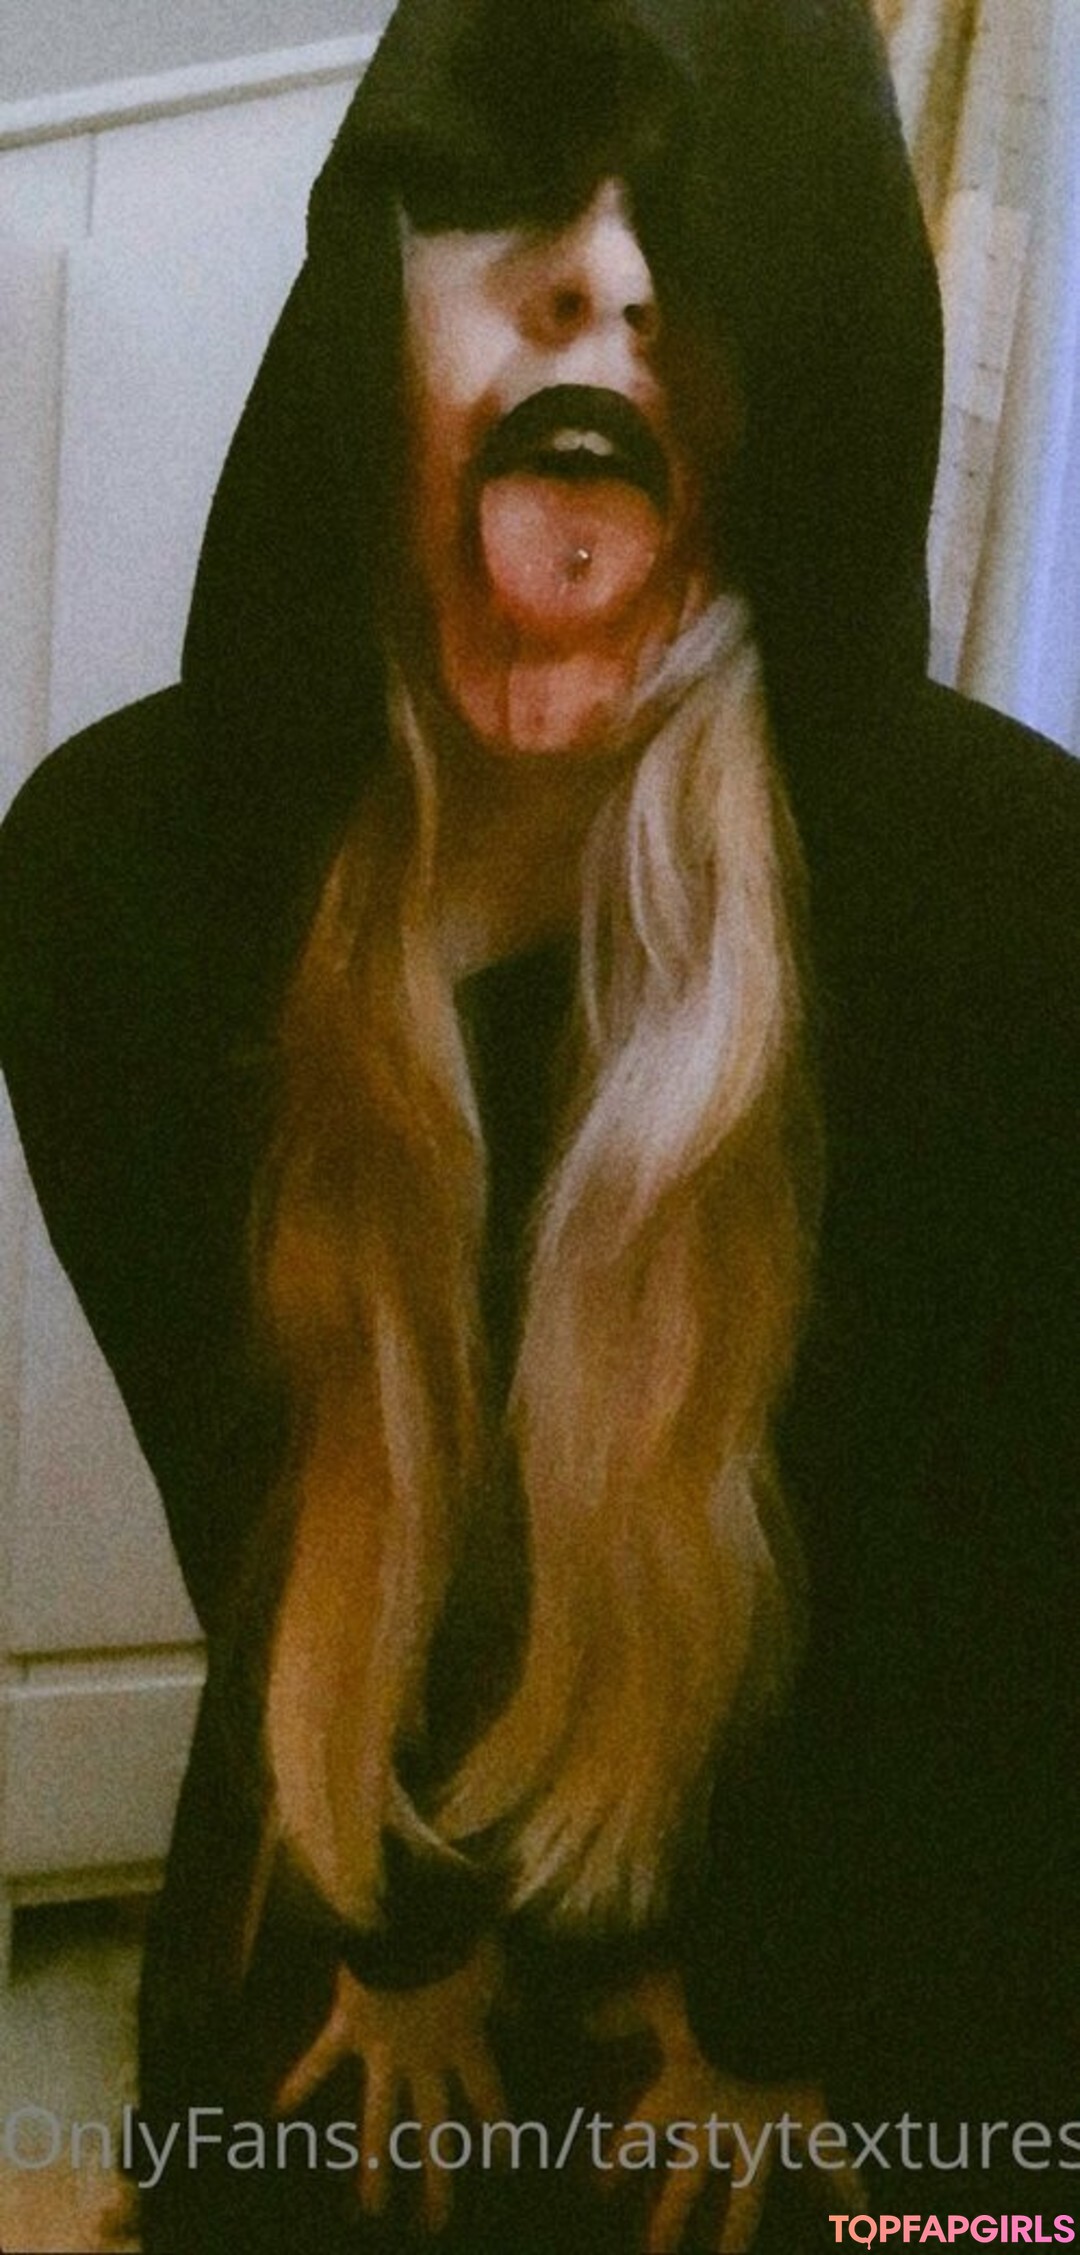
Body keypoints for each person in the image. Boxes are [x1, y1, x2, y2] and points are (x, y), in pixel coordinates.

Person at [2, 1, 1079, 2248]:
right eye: (512, 180)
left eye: (707, 208)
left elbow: (983, 1586)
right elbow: (254, 1507)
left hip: (848, 1844)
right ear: (364, 311)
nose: (608, 270)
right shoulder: (116, 894)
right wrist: (392, 1931)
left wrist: (788, 2004)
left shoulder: (1010, 916)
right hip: (394, 1799)